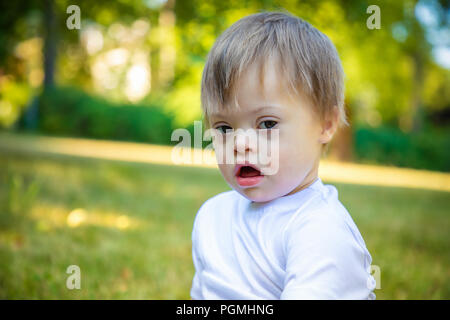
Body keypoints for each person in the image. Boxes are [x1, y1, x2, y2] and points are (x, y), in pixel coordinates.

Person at [190, 10, 376, 300]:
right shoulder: (211, 217)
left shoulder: (320, 231)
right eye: (224, 127)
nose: (240, 143)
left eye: (266, 124)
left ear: (326, 124)